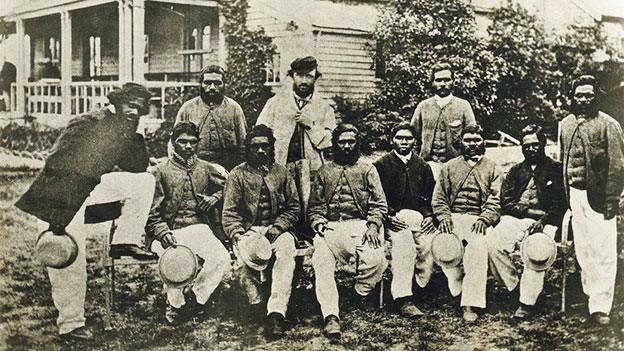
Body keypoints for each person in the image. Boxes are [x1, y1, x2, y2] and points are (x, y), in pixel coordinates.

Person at [15, 83, 155, 340]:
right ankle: (71, 324)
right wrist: (59, 217)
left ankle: (125, 242)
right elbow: (57, 161)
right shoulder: (88, 121)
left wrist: (136, 135)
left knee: (145, 182)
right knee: (68, 258)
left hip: (89, 192)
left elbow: (137, 168)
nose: (133, 111)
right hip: (59, 196)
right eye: (129, 105)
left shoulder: (125, 129)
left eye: (139, 108)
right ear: (116, 102)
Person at [145, 121, 231, 325]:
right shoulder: (160, 171)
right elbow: (150, 212)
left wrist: (215, 198)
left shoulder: (206, 168)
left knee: (222, 257)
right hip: (167, 230)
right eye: (182, 142)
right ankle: (175, 305)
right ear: (173, 143)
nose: (188, 146)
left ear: (198, 143)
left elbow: (230, 187)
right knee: (175, 260)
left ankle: (198, 297)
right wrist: (162, 231)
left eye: (193, 142)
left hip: (199, 229)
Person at [308, 124, 388, 338]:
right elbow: (315, 206)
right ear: (335, 144)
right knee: (321, 261)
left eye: (350, 142)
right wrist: (318, 222)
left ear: (357, 144)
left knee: (376, 259)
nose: (346, 146)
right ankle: (331, 315)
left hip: (361, 225)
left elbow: (379, 203)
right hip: (331, 227)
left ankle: (359, 292)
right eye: (342, 142)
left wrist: (373, 225)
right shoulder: (324, 171)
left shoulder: (368, 169)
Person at [222, 125, 300, 340]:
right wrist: (238, 234)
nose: (260, 151)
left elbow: (294, 207)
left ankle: (276, 312)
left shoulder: (281, 173)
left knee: (286, 251)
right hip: (249, 229)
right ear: (248, 149)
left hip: (278, 229)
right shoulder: (237, 175)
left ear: (272, 148)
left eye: (265, 146)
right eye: (255, 147)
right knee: (243, 256)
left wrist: (279, 226)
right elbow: (229, 213)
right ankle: (256, 305)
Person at [559, 75, 624, 325]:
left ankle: (600, 306)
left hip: (598, 197)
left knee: (603, 250)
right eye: (579, 95)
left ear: (597, 96)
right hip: (575, 195)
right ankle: (588, 295)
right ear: (572, 97)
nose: (584, 99)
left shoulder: (609, 124)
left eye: (589, 95)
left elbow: (617, 166)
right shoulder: (565, 124)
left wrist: (611, 200)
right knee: (584, 248)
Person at [487, 124, 566, 319]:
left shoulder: (555, 168)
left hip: (546, 222)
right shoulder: (515, 170)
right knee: (492, 244)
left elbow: (561, 202)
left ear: (543, 145)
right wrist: (526, 212)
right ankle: (515, 287)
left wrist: (544, 219)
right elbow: (506, 201)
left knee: (536, 250)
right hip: (517, 219)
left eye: (535, 145)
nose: (530, 149)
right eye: (526, 145)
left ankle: (527, 303)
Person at [432, 124, 501, 322]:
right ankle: (458, 284)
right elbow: (439, 198)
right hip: (453, 217)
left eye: (476, 140)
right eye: (468, 140)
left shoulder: (493, 167)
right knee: (443, 245)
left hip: (478, 219)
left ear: (483, 142)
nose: (472, 144)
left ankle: (470, 303)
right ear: (461, 143)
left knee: (477, 248)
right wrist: (444, 217)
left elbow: (496, 198)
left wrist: (485, 218)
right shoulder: (449, 167)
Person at [373, 122, 436, 318]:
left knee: (429, 242)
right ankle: (403, 298)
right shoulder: (381, 165)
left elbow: (429, 196)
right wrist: (389, 215)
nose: (404, 142)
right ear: (392, 140)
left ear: (414, 142)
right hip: (392, 219)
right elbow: (376, 197)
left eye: (408, 138)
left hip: (418, 218)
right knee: (404, 243)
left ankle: (420, 285)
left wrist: (429, 216)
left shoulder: (423, 166)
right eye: (399, 138)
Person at [256, 56, 336, 172]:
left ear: (315, 78)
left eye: (309, 76)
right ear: (292, 76)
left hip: (312, 171)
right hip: (279, 168)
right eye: (299, 75)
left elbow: (329, 142)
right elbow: (259, 134)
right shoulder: (274, 104)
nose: (304, 81)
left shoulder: (324, 108)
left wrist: (311, 125)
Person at [410, 62, 476, 179]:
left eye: (447, 80)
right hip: (427, 166)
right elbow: (412, 137)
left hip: (456, 166)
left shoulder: (463, 106)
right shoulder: (423, 107)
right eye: (438, 80)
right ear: (432, 83)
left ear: (453, 82)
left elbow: (473, 139)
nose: (443, 84)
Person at [174, 65, 247, 171]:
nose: (212, 87)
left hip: (228, 172)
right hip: (194, 172)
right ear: (201, 84)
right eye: (207, 83)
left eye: (217, 83)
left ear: (224, 85)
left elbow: (243, 145)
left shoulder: (234, 109)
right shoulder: (187, 108)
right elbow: (174, 143)